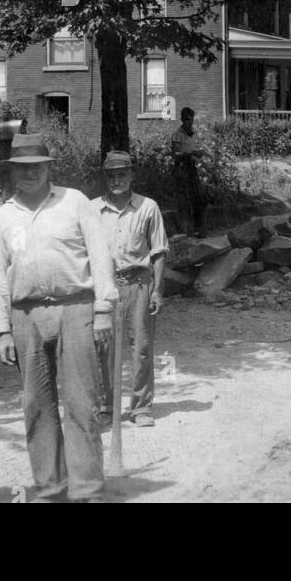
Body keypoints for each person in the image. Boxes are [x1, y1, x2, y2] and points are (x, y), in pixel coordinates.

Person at [0, 133, 119, 503]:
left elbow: (100, 255)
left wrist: (103, 310)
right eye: (21, 168)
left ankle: (87, 490)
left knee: (81, 403)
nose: (29, 174)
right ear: (12, 172)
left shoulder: (74, 201)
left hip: (75, 307)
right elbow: (0, 276)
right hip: (25, 314)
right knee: (36, 405)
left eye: (36, 167)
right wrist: (2, 330)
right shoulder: (4, 215)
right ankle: (50, 488)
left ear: (48, 168)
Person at [92, 151, 169, 428]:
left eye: (122, 174)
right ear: (105, 178)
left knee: (142, 348)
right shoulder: (92, 209)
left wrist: (157, 291)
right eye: (111, 175)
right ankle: (107, 405)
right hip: (106, 286)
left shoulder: (148, 207)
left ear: (131, 175)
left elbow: (159, 252)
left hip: (139, 284)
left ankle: (141, 406)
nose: (117, 180)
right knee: (104, 346)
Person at [170, 107, 206, 236]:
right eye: (186, 120)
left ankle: (198, 228)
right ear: (182, 120)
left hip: (191, 167)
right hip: (181, 168)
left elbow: (193, 149)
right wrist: (190, 153)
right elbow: (175, 153)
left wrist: (198, 153)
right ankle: (185, 229)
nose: (189, 123)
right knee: (184, 198)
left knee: (197, 196)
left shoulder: (192, 133)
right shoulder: (177, 135)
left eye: (190, 120)